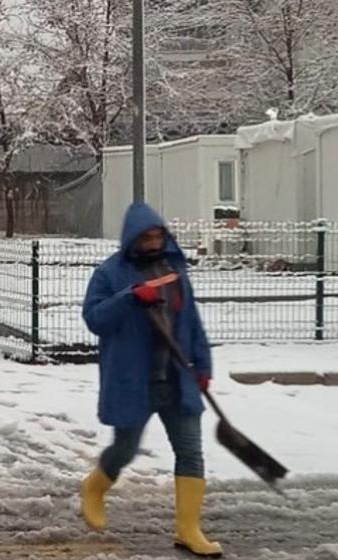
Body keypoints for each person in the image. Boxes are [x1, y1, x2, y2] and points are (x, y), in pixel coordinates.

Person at [80, 203, 222, 558]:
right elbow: (95, 318)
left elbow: (191, 323)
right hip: (134, 379)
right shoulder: (109, 274)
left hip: (177, 377)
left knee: (190, 451)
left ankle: (188, 529)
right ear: (133, 238)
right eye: (147, 237)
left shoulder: (174, 270)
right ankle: (95, 487)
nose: (155, 242)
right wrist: (129, 297)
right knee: (125, 449)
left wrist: (203, 367)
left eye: (159, 235)